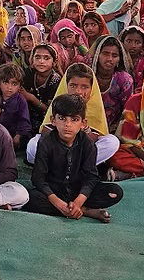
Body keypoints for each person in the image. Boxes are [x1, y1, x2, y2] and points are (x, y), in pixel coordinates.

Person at [25, 94, 123, 222]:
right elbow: (38, 178)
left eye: (74, 119)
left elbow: (91, 177)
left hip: (78, 190)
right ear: (53, 120)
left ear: (83, 123)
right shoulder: (46, 142)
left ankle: (75, 208)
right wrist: (58, 203)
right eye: (62, 118)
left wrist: (78, 201)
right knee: (29, 198)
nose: (68, 124)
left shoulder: (87, 143)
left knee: (115, 192)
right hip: (54, 191)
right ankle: (85, 211)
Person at [28, 63, 119, 166]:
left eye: (84, 87)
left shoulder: (93, 106)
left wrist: (82, 132)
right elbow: (46, 131)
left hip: (80, 152)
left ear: (91, 89)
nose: (78, 91)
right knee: (33, 145)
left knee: (112, 142)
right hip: (57, 150)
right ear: (66, 86)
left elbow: (93, 138)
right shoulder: (60, 102)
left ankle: (72, 166)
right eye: (73, 86)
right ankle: (65, 166)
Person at [91, 35, 134, 132]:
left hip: (113, 129)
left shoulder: (124, 80)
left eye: (114, 56)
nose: (110, 59)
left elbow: (127, 110)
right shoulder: (87, 76)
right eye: (105, 54)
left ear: (119, 59)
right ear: (97, 55)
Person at [21, 44, 62, 133]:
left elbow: (50, 110)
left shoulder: (56, 80)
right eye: (37, 57)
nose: (41, 61)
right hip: (27, 116)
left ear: (54, 62)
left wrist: (32, 99)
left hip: (47, 121)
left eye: (46, 58)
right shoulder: (29, 73)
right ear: (32, 60)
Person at [0, 63, 32, 148]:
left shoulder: (21, 100)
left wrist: (18, 136)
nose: (9, 87)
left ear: (20, 86)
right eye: (5, 83)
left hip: (13, 135)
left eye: (14, 84)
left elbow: (24, 121)